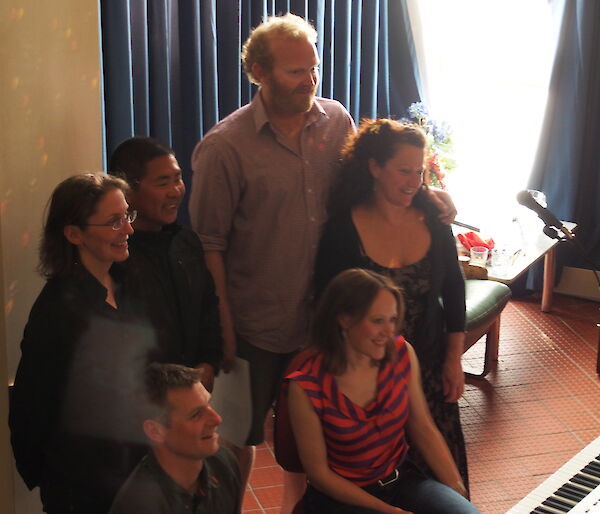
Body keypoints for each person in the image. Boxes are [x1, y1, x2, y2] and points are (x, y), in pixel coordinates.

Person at [190, 13, 457, 504]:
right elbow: (210, 246)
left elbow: (374, 186)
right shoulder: (225, 147)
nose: (310, 80)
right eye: (296, 71)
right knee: (234, 442)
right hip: (254, 327)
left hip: (328, 321)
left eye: (314, 68)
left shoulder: (336, 121)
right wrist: (223, 326)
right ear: (259, 72)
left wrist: (427, 198)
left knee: (311, 448)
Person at [314, 119, 469, 493]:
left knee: (444, 480)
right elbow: (328, 307)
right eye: (404, 171)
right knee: (383, 484)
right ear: (374, 167)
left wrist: (453, 359)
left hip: (428, 370)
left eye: (419, 171)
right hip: (367, 381)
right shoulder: (342, 230)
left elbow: (453, 289)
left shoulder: (434, 220)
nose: (413, 181)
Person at [9, 173, 158, 514]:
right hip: (84, 482)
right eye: (114, 222)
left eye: (127, 216)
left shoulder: (129, 283)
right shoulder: (57, 312)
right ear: (74, 234)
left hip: (137, 465)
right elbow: (32, 407)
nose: (129, 230)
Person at [287, 269, 479, 514]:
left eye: (392, 320)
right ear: (344, 319)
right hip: (340, 500)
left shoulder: (401, 353)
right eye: (377, 321)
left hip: (401, 481)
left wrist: (457, 490)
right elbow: (320, 475)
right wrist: (387, 510)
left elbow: (423, 428)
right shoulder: (305, 387)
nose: (388, 333)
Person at [109, 136, 222, 391]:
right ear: (127, 189)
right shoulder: (115, 255)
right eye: (163, 183)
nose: (175, 191)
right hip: (138, 396)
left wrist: (208, 362)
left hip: (191, 390)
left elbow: (207, 308)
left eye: (178, 179)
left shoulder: (187, 243)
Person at [108, 363, 241, 514]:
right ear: (155, 431)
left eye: (209, 404)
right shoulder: (139, 505)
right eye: (196, 414)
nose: (217, 419)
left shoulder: (224, 463)